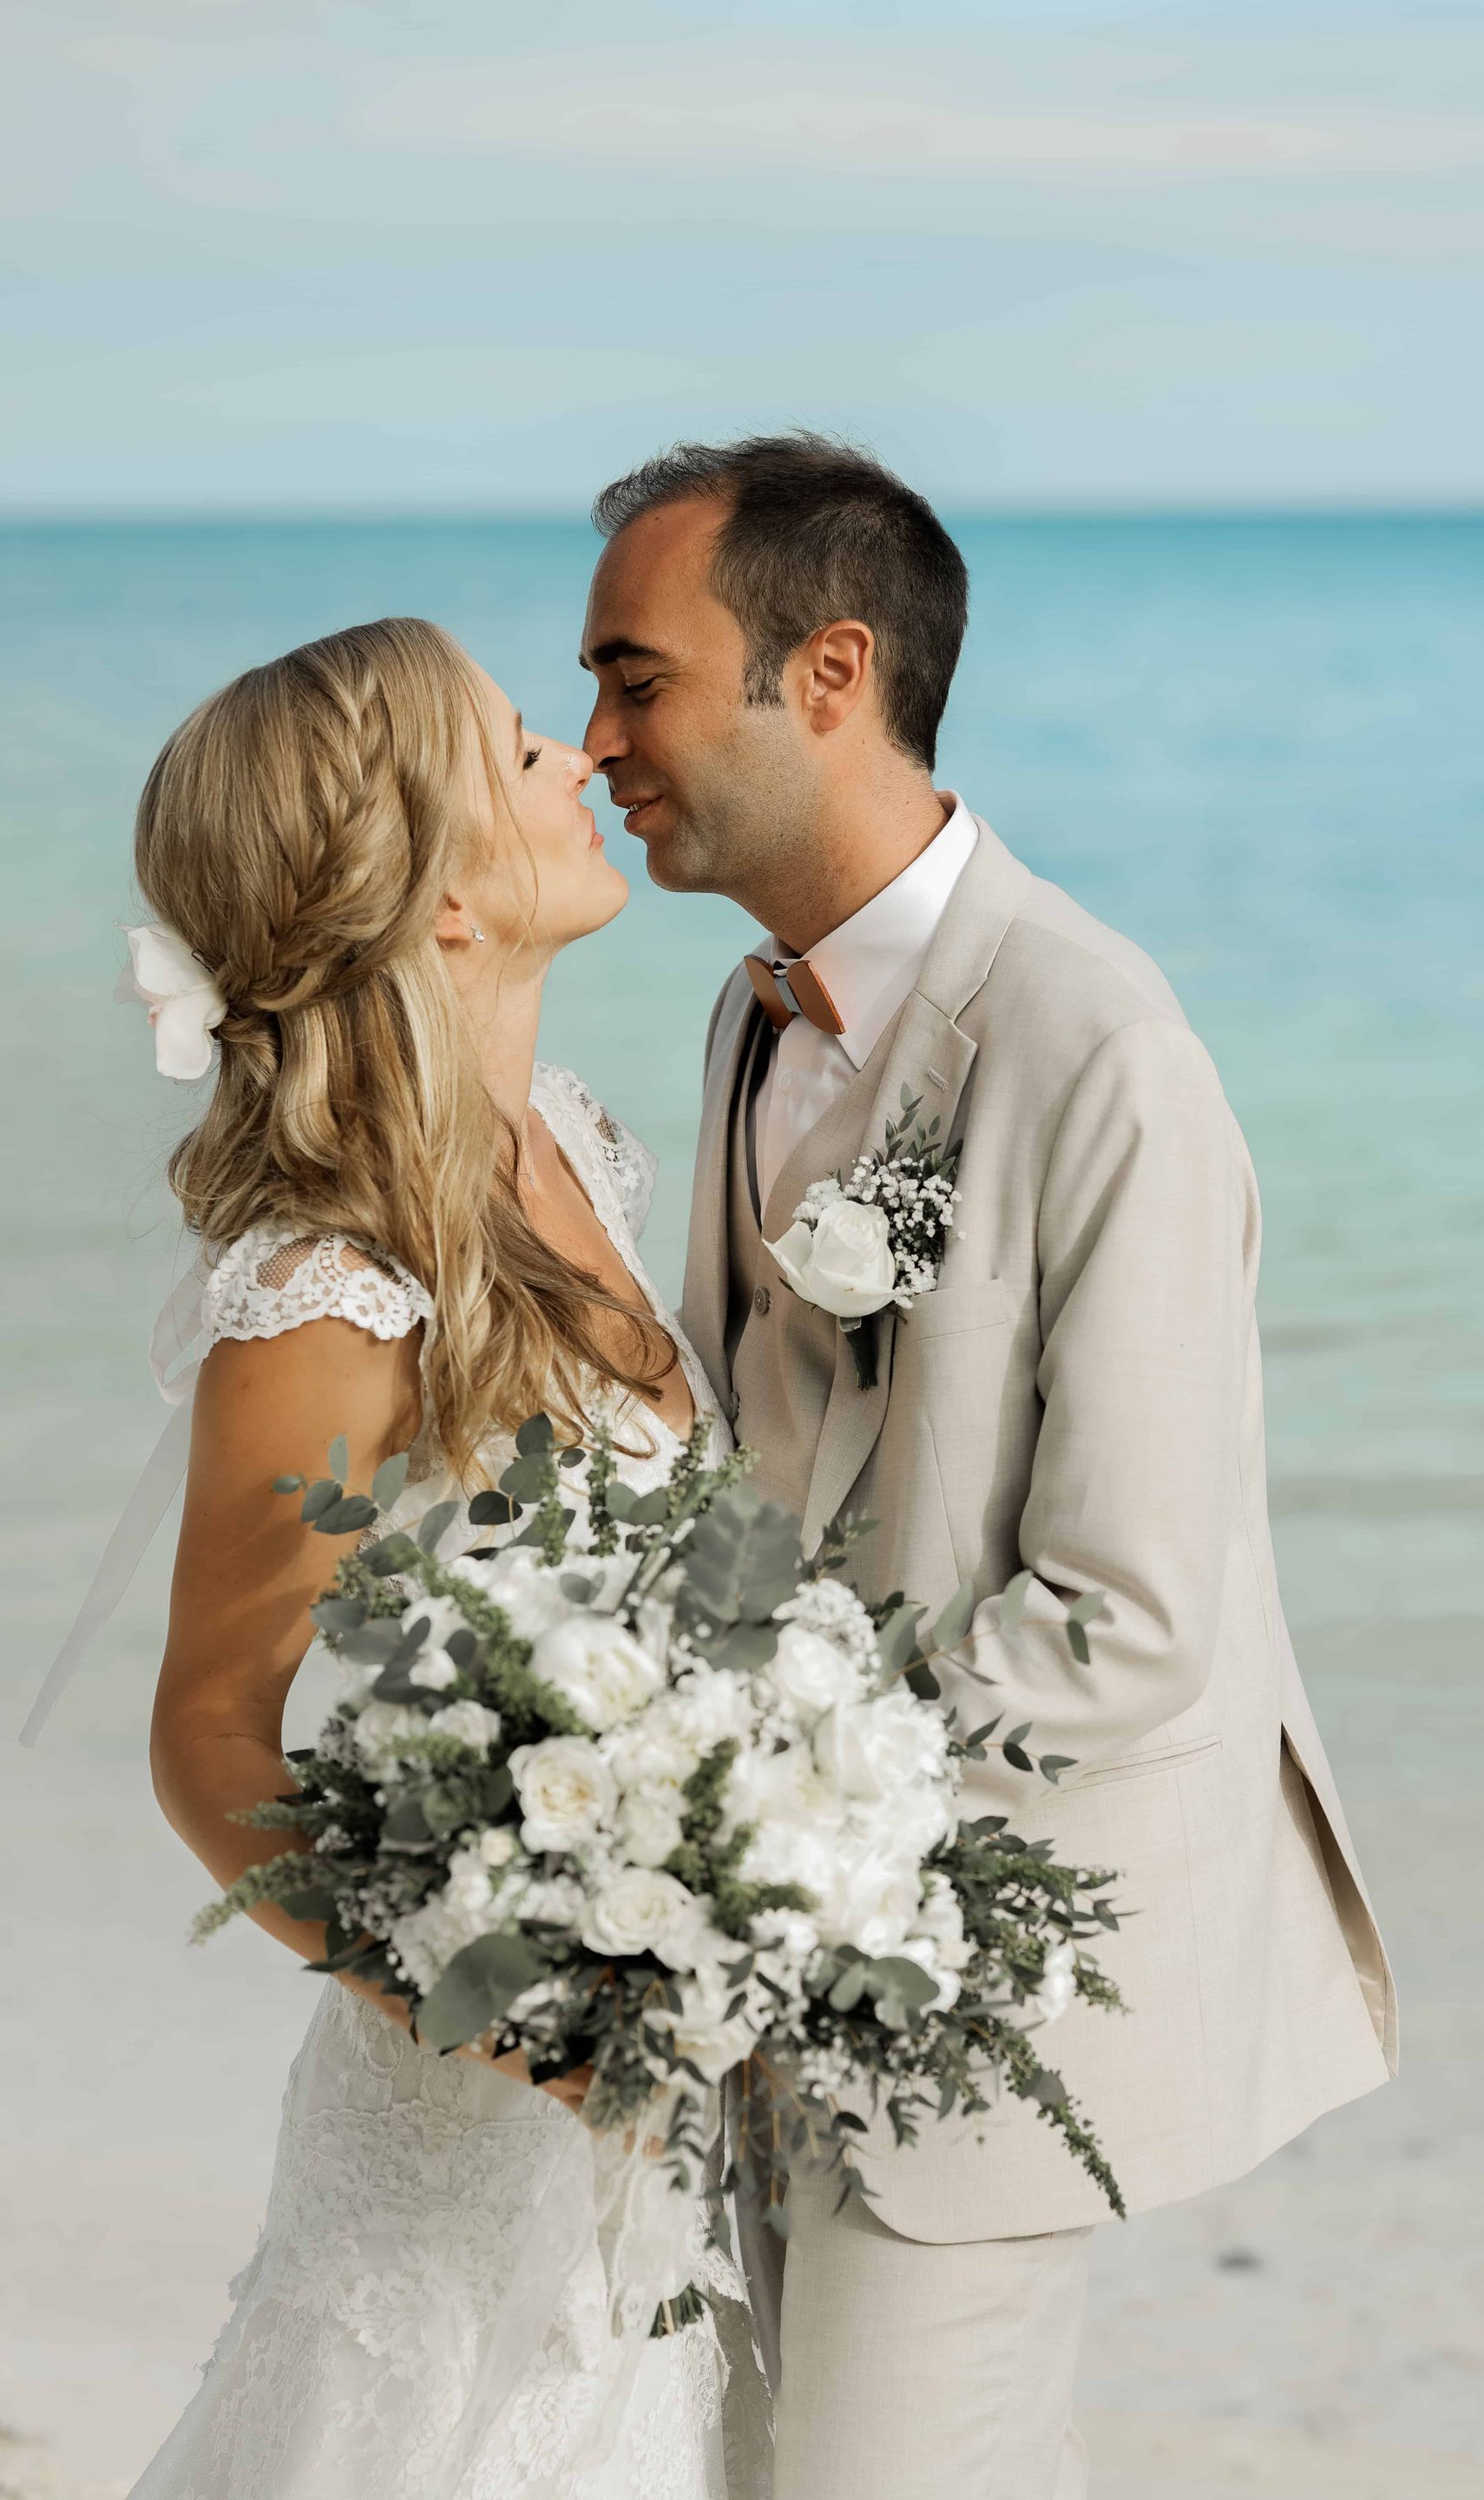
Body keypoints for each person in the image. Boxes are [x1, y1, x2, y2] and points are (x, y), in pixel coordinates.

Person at [580, 434, 1399, 2500]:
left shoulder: (1100, 1048)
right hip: (750, 1971)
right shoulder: (750, 1019)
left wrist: (748, 1797)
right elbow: (759, 1455)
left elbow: (1129, 1619)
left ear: (828, 671)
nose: (597, 741)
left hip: (972, 1991)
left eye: (638, 678)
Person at [108, 618, 766, 2498]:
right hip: (464, 2123)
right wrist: (509, 2011)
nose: (573, 756)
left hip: (646, 2112)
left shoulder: (581, 1146)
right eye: (511, 748)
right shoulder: (327, 1287)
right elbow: (212, 1735)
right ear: (435, 891)